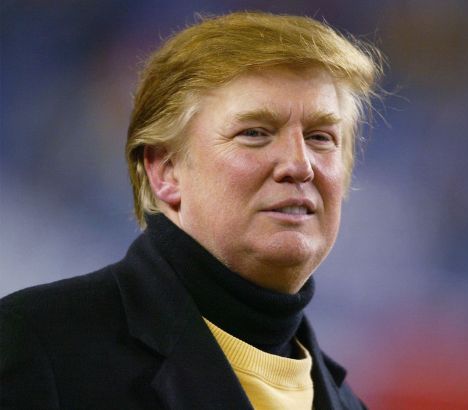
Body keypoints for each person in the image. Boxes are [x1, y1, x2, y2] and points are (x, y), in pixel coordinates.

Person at [0, 11, 382, 409]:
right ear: (166, 171)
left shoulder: (347, 403)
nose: (300, 165)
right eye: (255, 133)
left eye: (320, 137)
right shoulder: (38, 345)